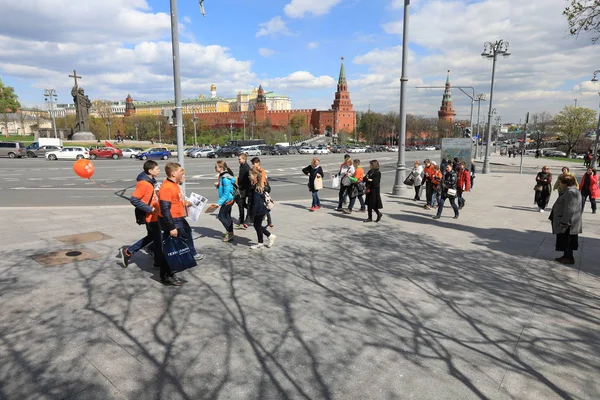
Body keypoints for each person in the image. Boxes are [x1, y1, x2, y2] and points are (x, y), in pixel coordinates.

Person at [158, 163, 204, 286]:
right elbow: (165, 209)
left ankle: (173, 269)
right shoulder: (167, 188)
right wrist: (171, 227)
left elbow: (175, 201)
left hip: (178, 219)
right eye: (181, 173)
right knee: (171, 249)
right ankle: (167, 275)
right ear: (173, 174)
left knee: (181, 242)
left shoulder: (175, 185)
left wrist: (184, 203)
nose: (183, 175)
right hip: (172, 221)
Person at [121, 160, 161, 268]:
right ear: (150, 171)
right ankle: (158, 261)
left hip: (154, 214)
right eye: (157, 169)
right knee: (158, 239)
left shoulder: (151, 181)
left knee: (152, 237)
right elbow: (134, 200)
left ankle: (130, 251)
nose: (159, 171)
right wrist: (150, 209)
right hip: (150, 215)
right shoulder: (144, 184)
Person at [551, 174, 582, 264]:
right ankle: (566, 255)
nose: (559, 183)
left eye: (561, 182)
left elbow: (570, 208)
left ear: (565, 183)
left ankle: (569, 257)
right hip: (568, 221)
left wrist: (564, 222)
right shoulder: (569, 191)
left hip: (568, 222)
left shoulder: (571, 192)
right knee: (565, 239)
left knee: (568, 239)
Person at [247, 167, 276, 249]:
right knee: (257, 226)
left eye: (250, 175)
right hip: (260, 210)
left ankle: (265, 239)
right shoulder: (255, 185)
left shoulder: (256, 187)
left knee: (257, 226)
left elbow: (256, 203)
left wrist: (252, 214)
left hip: (259, 210)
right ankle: (266, 238)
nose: (249, 176)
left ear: (255, 176)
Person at [212, 161, 237, 242]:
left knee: (221, 216)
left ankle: (230, 233)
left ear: (221, 168)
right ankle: (230, 232)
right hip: (228, 199)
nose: (215, 168)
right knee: (227, 216)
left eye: (216, 167)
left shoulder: (225, 178)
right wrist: (218, 185)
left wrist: (218, 203)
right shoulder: (223, 176)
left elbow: (226, 193)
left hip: (227, 200)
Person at [251, 157, 273, 228]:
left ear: (258, 163)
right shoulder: (255, 170)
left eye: (253, 163)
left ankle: (267, 221)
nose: (252, 165)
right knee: (263, 206)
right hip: (258, 189)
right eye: (252, 163)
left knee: (263, 206)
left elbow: (262, 180)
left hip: (261, 190)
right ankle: (269, 222)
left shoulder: (261, 171)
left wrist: (261, 189)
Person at [236, 154, 251, 229]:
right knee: (241, 204)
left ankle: (242, 220)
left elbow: (248, 179)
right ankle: (241, 219)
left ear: (244, 159)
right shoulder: (242, 166)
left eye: (240, 159)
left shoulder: (246, 167)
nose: (239, 160)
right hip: (241, 188)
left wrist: (241, 185)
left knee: (241, 204)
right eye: (238, 159)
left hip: (245, 189)